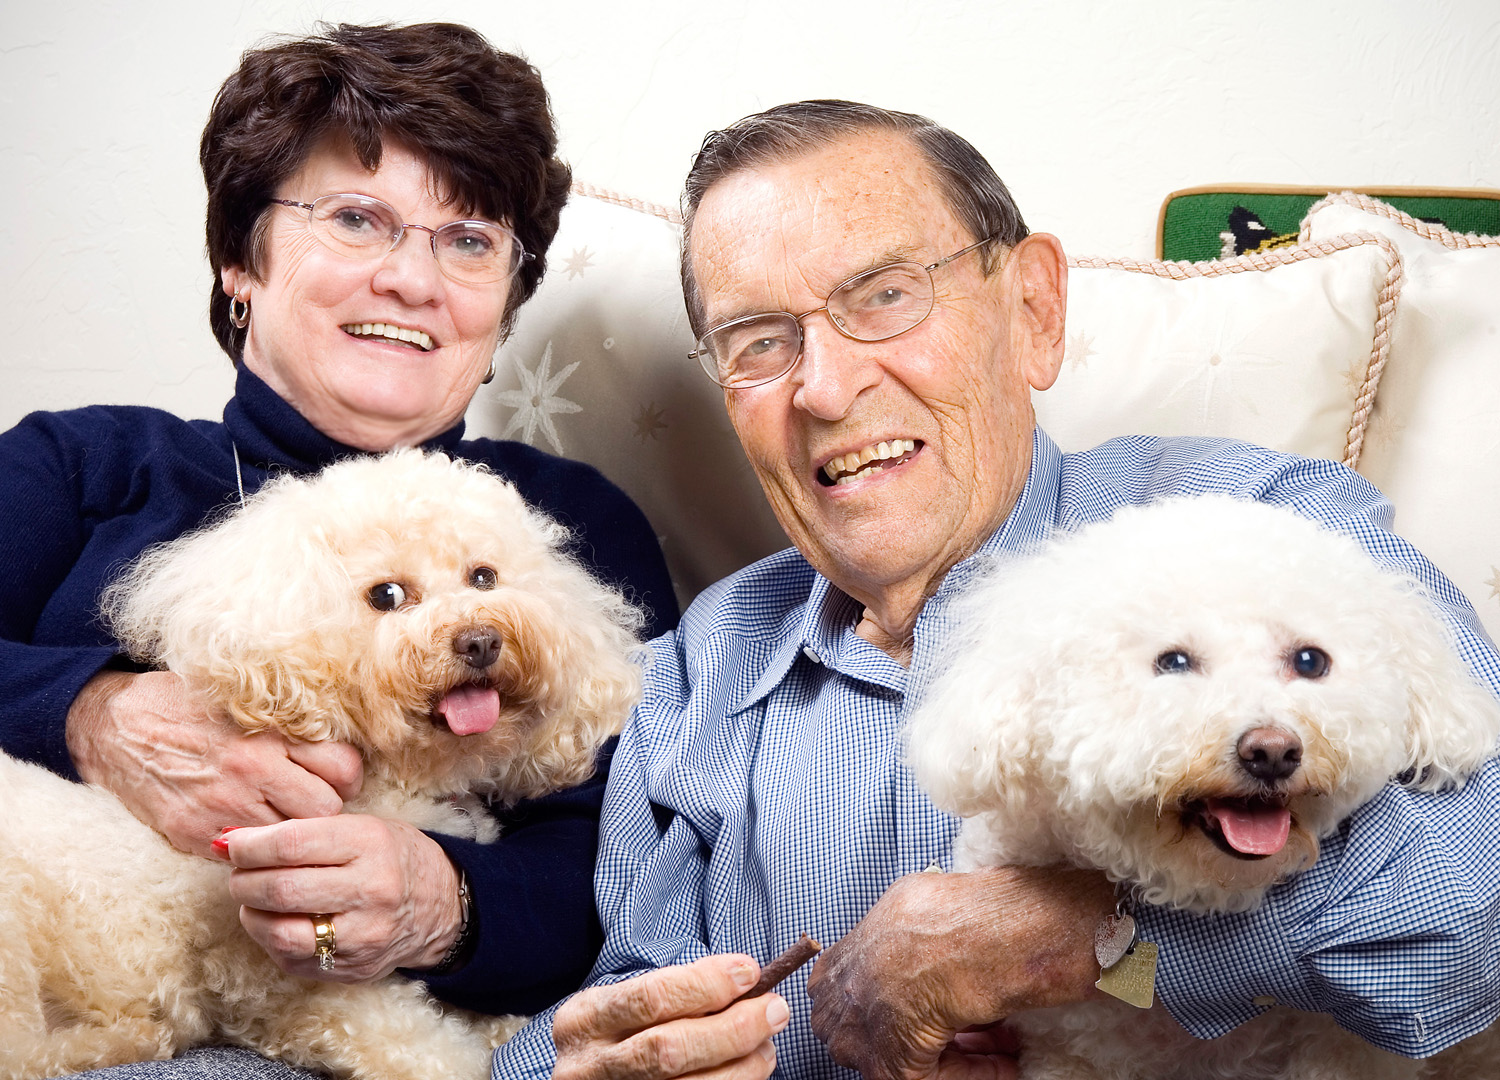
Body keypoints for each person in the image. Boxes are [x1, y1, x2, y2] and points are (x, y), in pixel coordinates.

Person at [493, 100, 1500, 1080]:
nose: (827, 389)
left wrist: (1090, 942)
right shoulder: (698, 670)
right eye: (758, 340)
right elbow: (602, 1016)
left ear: (1034, 311)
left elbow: (1480, 895)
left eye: (885, 295)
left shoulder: (1270, 529)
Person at [0, 21, 679, 1074]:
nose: (414, 280)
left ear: (504, 303)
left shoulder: (571, 529)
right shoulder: (83, 465)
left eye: (468, 241)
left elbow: (636, 864)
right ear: (241, 261)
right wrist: (85, 712)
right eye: (358, 219)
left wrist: (440, 902)